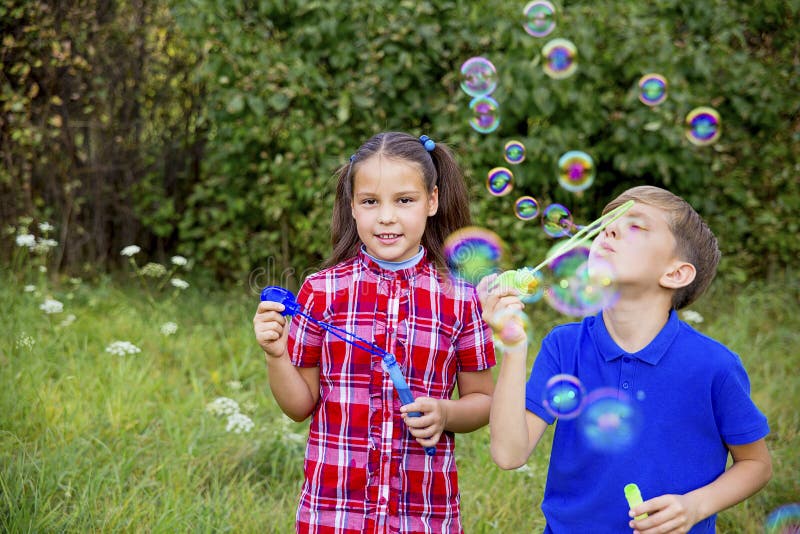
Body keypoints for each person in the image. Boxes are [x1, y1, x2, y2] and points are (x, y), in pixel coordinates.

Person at [480, 185, 771, 534]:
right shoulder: (564, 346)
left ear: (675, 273)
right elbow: (509, 454)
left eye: (635, 226)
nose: (610, 230)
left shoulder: (713, 366)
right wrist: (512, 345)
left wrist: (695, 506)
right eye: (608, 224)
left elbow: (756, 463)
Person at [254, 132, 496, 533]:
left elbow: (483, 400)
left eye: (404, 200)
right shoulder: (322, 290)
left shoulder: (460, 300)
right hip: (332, 514)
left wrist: (447, 412)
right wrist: (276, 354)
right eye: (370, 201)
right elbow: (299, 406)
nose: (386, 216)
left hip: (423, 515)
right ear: (352, 207)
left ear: (432, 201)